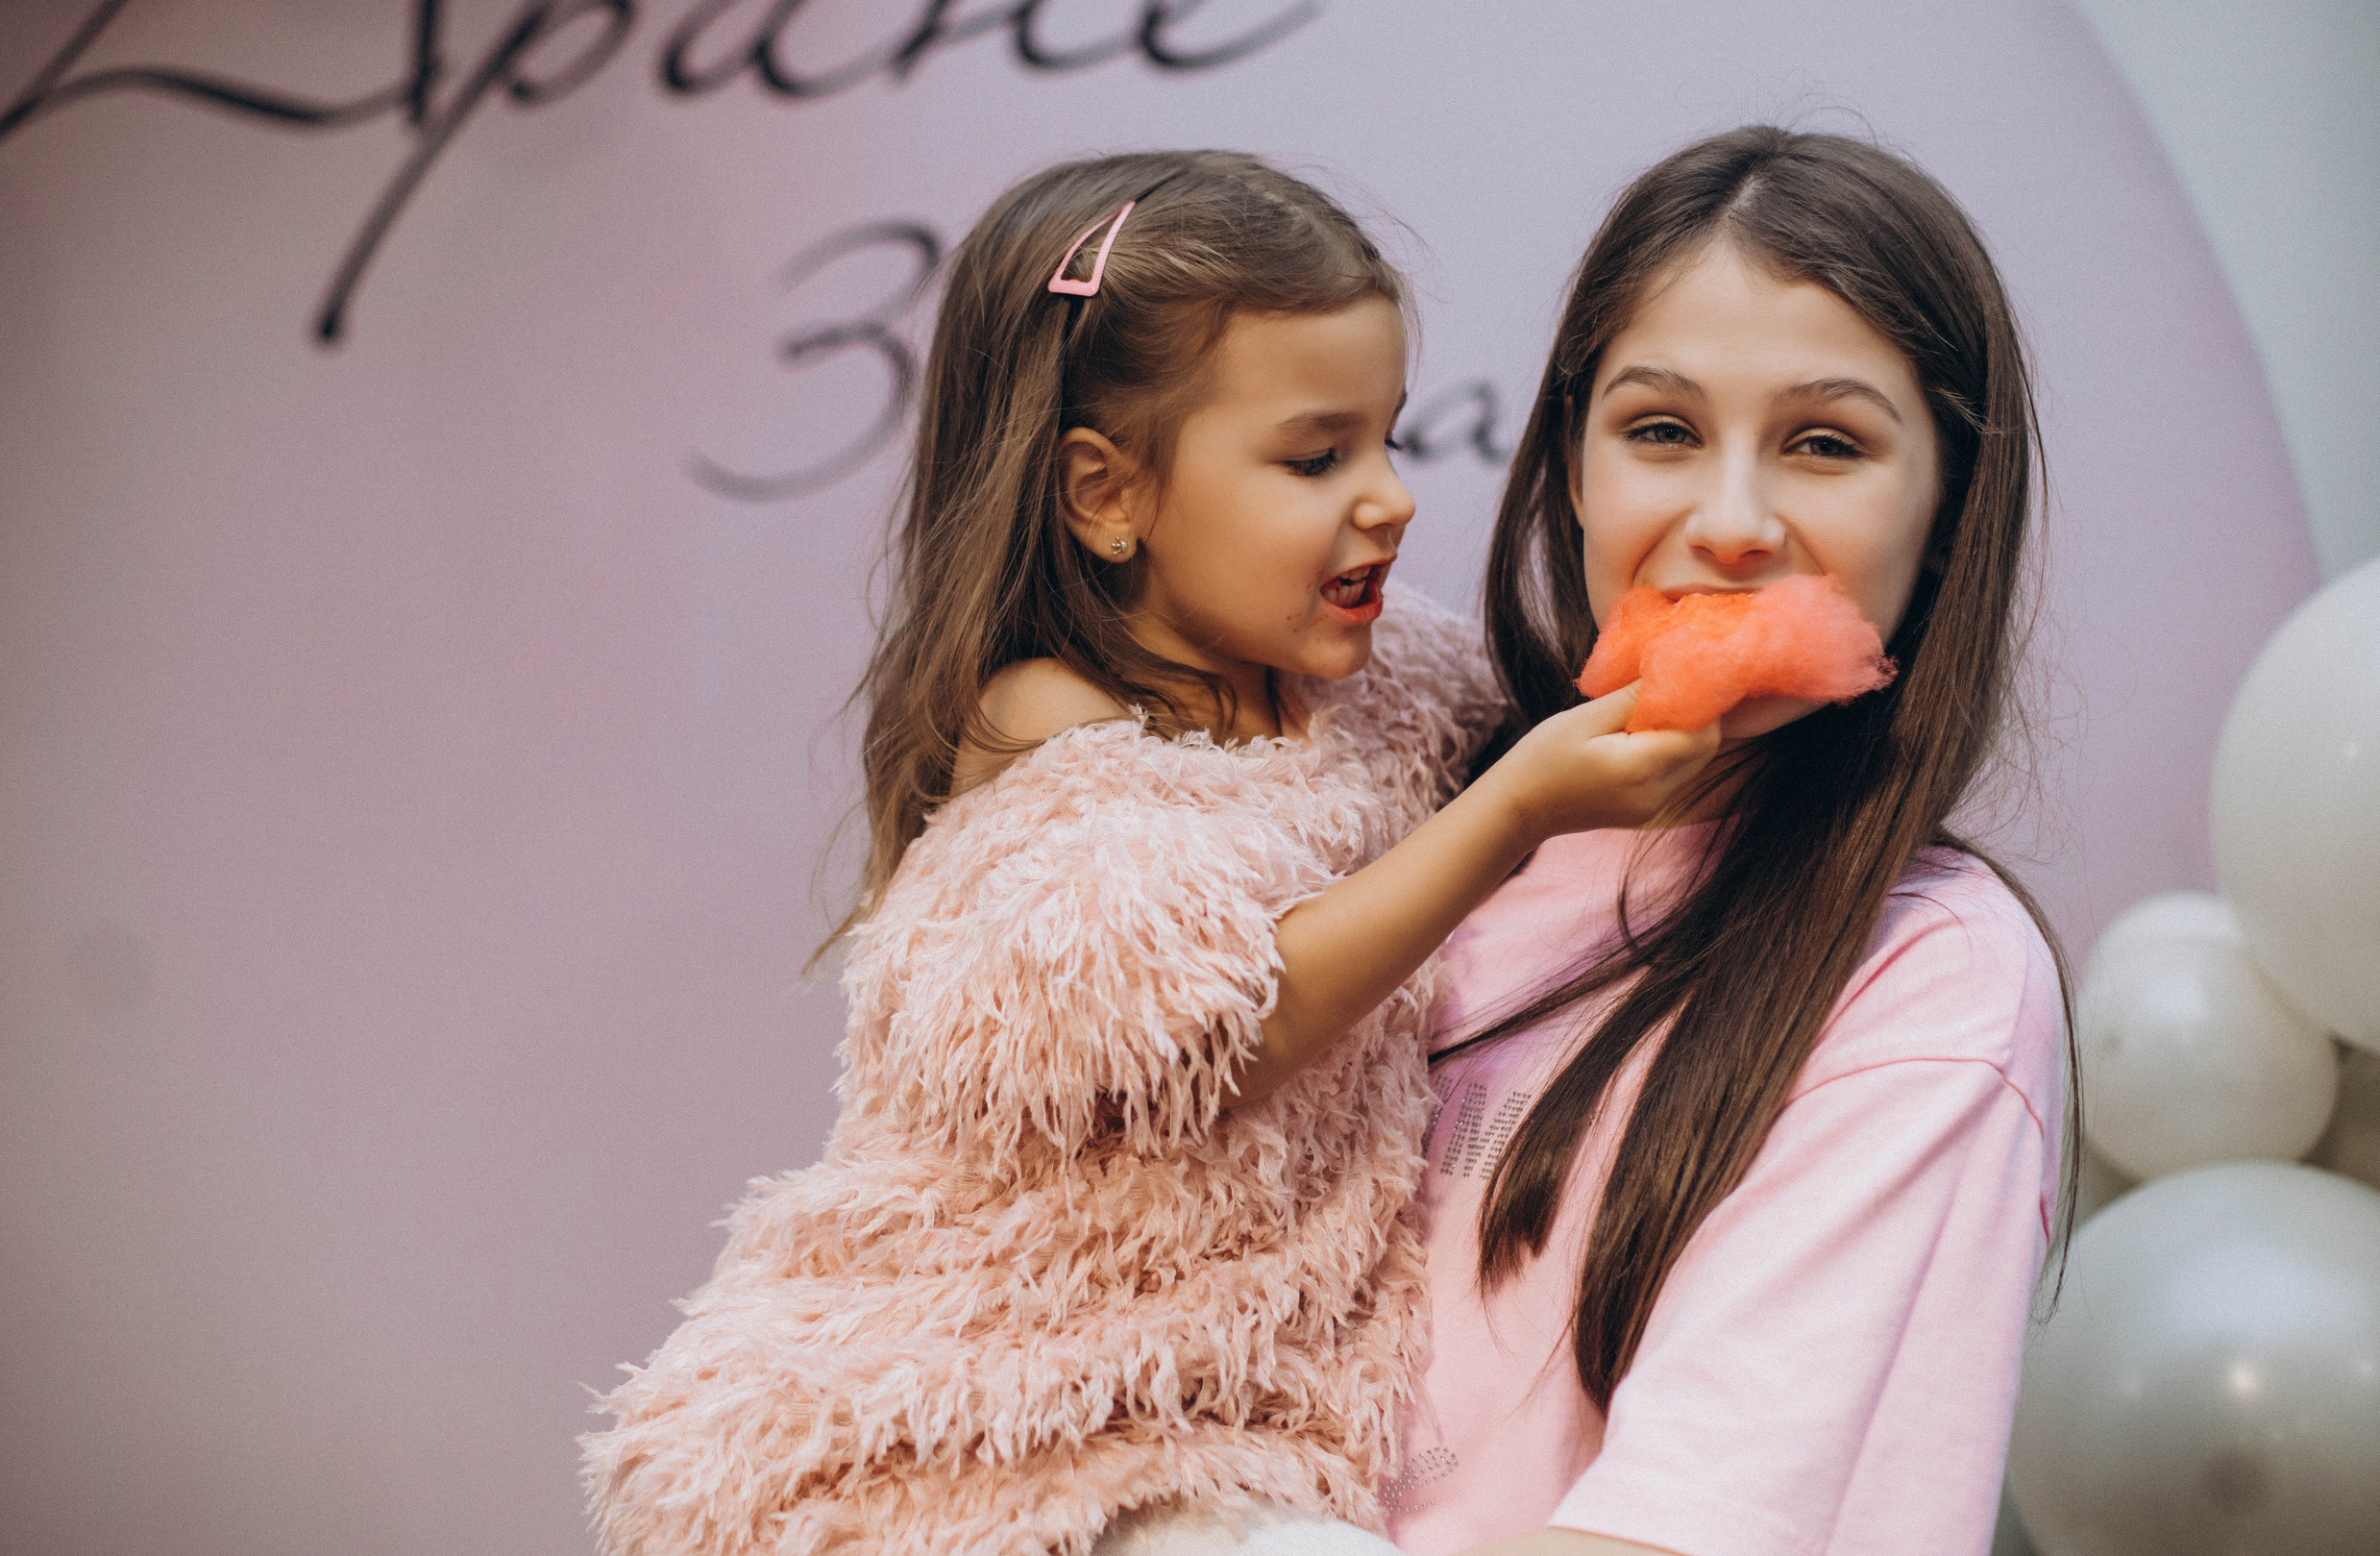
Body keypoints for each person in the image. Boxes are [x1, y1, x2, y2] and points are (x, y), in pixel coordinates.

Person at [580, 150, 1718, 1556]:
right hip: (1000, 1422)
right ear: (1106, 494)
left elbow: (1527, 723)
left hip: (1219, 1422)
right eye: (1316, 458)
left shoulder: (1370, 688)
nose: (1389, 498)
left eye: (1389, 440)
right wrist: (1511, 816)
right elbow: (1227, 1022)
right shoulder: (1049, 744)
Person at [1385, 127, 2076, 1556]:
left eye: (1826, 445)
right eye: (1661, 431)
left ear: (1947, 509)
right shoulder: (1404, 828)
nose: (1733, 521)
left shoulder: (1930, 977)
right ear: (1572, 466)